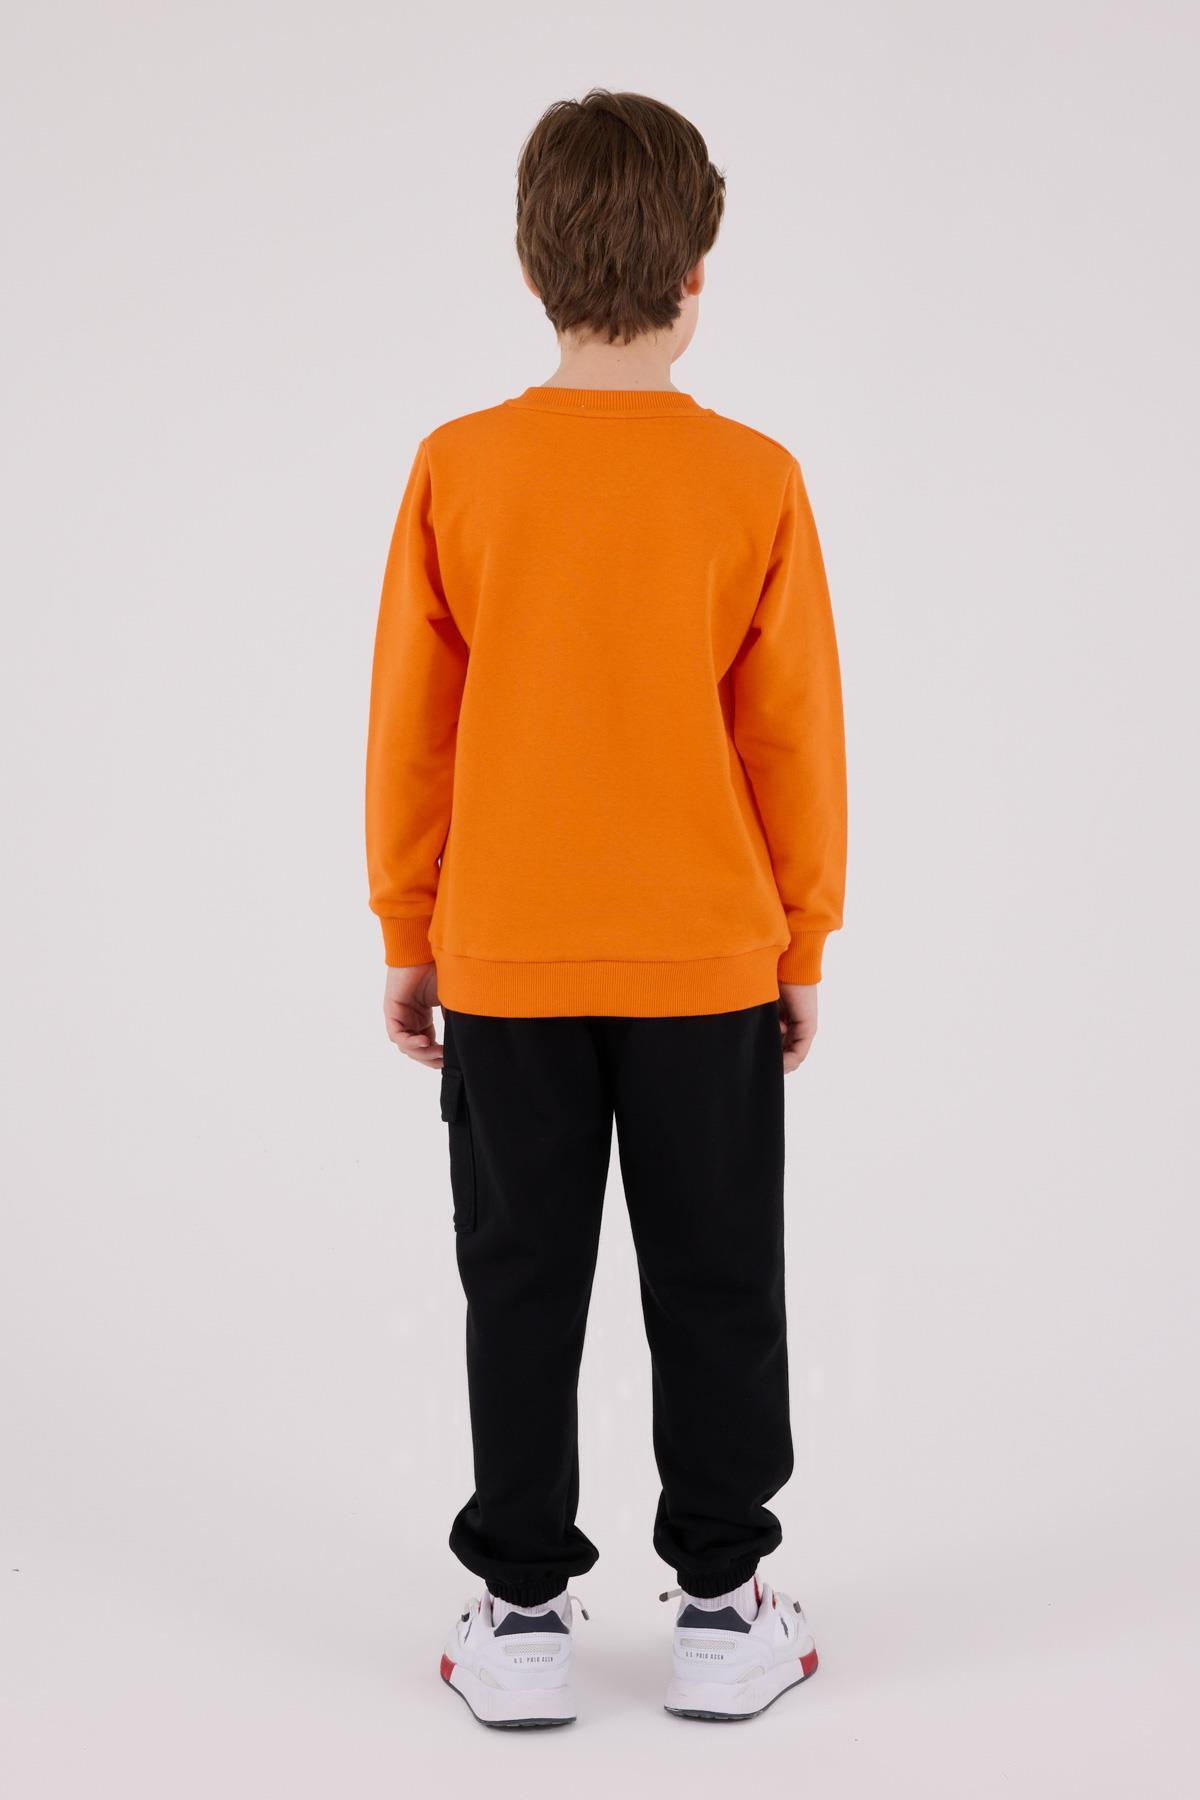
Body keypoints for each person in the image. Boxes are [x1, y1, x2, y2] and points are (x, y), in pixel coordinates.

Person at [365, 88, 847, 1728]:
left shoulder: (461, 468)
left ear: (530, 267)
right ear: (699, 271)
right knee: (719, 1276)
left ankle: (518, 1617)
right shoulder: (754, 479)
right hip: (707, 957)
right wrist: (801, 943)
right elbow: (792, 737)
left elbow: (414, 727)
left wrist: (409, 933)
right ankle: (722, 1604)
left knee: (519, 1278)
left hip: (505, 953)